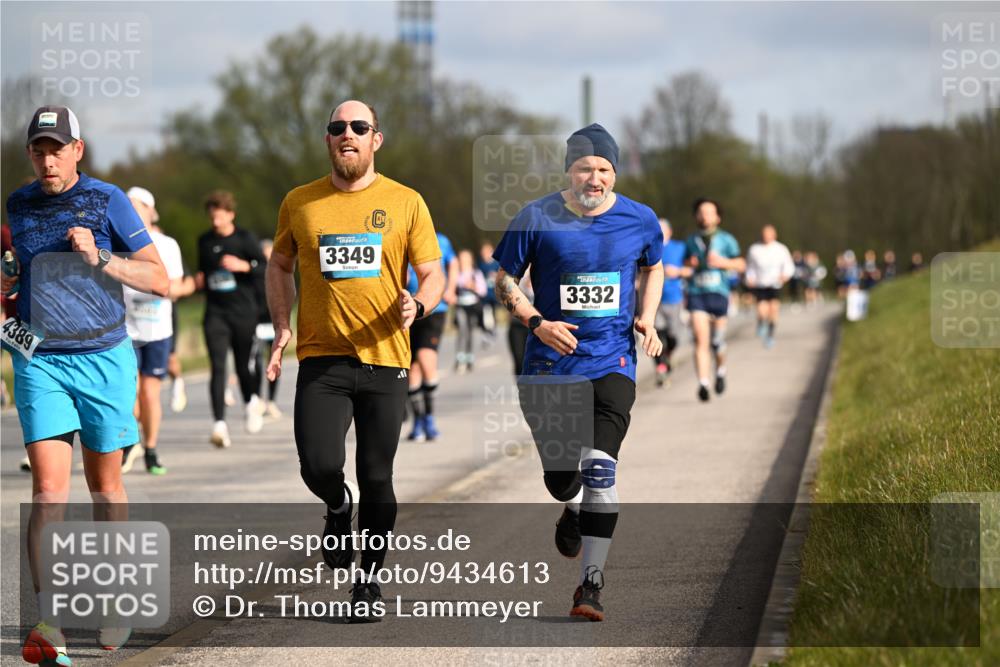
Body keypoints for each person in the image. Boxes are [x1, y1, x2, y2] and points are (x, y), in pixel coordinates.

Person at [265, 100, 445, 619]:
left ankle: (367, 583)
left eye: (359, 127)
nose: (348, 134)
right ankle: (337, 508)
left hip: (386, 359)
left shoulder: (406, 201)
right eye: (337, 127)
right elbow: (278, 266)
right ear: (328, 140)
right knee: (319, 465)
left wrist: (421, 302)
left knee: (377, 476)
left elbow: (433, 273)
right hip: (323, 357)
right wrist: (282, 324)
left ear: (376, 140)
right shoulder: (300, 202)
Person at [6, 106, 168, 664]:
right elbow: (17, 276)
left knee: (105, 489)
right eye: (38, 150)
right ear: (30, 154)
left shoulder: (109, 201)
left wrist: (102, 256)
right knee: (49, 490)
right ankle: (47, 620)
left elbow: (159, 279)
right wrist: (11, 304)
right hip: (41, 361)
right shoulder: (19, 205)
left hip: (103, 357)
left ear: (78, 150)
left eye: (58, 148)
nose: (48, 160)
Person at [493, 123, 663, 621]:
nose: (595, 178)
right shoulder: (536, 217)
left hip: (613, 362)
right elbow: (504, 279)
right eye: (586, 168)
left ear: (615, 172)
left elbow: (653, 266)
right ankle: (569, 507)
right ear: (569, 170)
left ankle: (591, 585)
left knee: (601, 468)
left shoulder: (640, 219)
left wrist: (647, 317)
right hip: (549, 366)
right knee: (564, 480)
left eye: (605, 169)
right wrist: (537, 323)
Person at [122, 186, 195, 474]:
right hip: (125, 330)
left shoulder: (167, 245)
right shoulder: (118, 241)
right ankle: (133, 441)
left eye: (135, 205)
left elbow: (176, 287)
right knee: (129, 393)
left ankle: (150, 449)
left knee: (150, 394)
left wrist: (154, 287)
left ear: (149, 210)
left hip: (157, 329)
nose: (130, 210)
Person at [195, 190, 267, 447]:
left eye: (220, 217)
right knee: (217, 366)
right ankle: (219, 424)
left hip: (243, 312)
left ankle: (251, 402)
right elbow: (202, 274)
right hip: (216, 312)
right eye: (212, 217)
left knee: (241, 364)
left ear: (230, 215)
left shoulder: (244, 239)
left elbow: (265, 267)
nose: (216, 221)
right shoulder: (204, 241)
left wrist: (244, 266)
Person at [684, 198, 745, 402]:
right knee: (701, 340)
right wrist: (688, 265)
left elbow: (741, 264)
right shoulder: (691, 240)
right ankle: (703, 383)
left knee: (717, 342)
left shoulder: (727, 239)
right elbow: (686, 265)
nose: (705, 216)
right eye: (701, 212)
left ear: (718, 217)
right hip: (697, 293)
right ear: (696, 216)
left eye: (709, 212)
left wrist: (723, 262)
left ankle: (720, 370)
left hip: (719, 293)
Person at [405, 233, 457, 442]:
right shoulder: (400, 236)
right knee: (411, 367)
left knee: (426, 358)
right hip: (406, 309)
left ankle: (429, 417)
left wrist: (451, 289)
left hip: (434, 308)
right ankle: (418, 420)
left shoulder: (440, 240)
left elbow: (452, 263)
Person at [745, 224, 795, 349]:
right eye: (764, 234)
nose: (766, 236)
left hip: (775, 284)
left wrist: (785, 276)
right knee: (762, 311)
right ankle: (761, 322)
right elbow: (750, 267)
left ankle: (770, 336)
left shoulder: (781, 249)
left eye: (769, 234)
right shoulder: (754, 249)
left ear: (774, 235)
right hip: (760, 284)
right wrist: (750, 278)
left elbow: (789, 265)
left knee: (774, 310)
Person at [654, 218, 690, 387]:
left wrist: (679, 271)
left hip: (674, 298)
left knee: (673, 337)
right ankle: (661, 368)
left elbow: (692, 269)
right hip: (654, 300)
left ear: (669, 231)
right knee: (656, 334)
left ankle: (667, 356)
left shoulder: (680, 248)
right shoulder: (648, 246)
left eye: (662, 229)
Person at [251, 238, 282, 418]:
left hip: (273, 322)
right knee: (255, 363)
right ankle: (258, 399)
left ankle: (271, 401)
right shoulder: (254, 273)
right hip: (256, 322)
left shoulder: (279, 272)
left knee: (274, 362)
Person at [454, 248, 487, 373]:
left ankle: (469, 357)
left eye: (465, 258)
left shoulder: (476, 273)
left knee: (469, 332)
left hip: (473, 306)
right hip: (460, 305)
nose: (463, 261)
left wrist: (473, 286)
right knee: (462, 330)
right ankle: (459, 358)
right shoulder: (456, 273)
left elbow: (483, 290)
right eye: (461, 258)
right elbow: (452, 286)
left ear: (470, 260)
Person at [506, 270, 533, 375]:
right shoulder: (515, 270)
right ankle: (522, 388)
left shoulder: (545, 267)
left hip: (542, 325)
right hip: (518, 324)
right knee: (519, 360)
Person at [477, 240, 500, 342]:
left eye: (488, 252)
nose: (486, 255)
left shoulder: (496, 264)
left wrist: (496, 276)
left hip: (494, 294)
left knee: (493, 312)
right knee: (486, 312)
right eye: (484, 253)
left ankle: (493, 329)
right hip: (485, 295)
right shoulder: (481, 265)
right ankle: (488, 329)